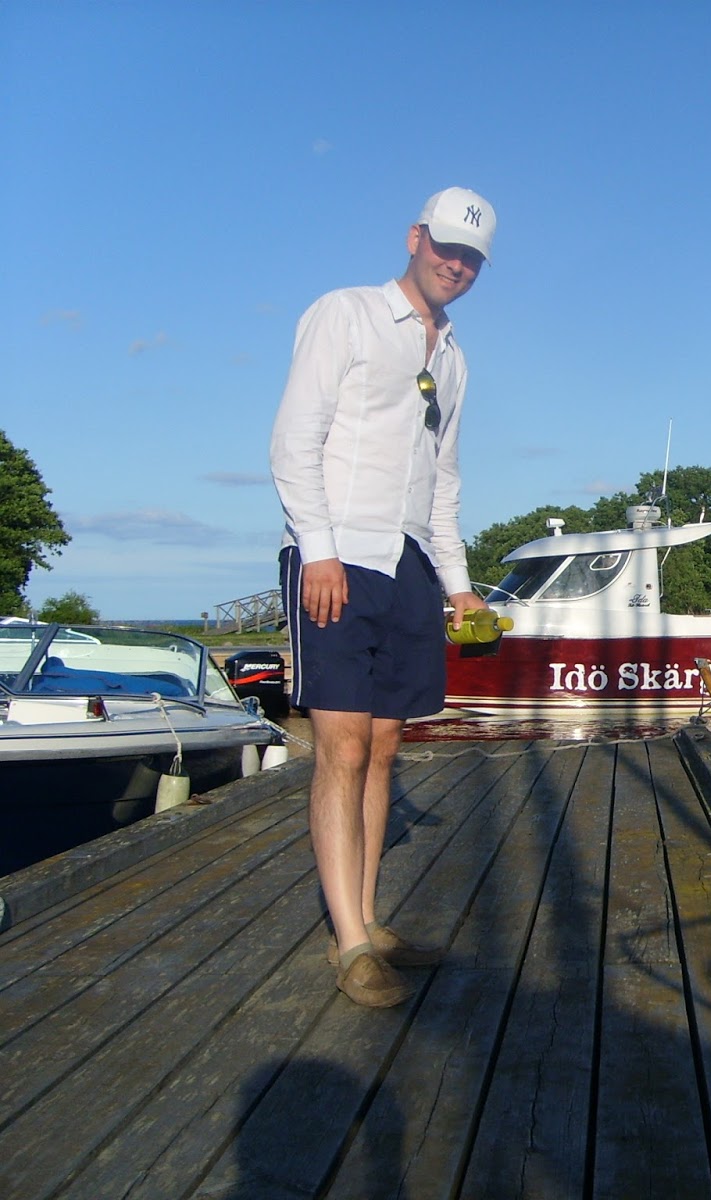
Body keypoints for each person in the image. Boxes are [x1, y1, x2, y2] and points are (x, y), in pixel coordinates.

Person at [269, 187, 496, 1007]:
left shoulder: (455, 358)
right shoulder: (347, 314)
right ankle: (352, 943)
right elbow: (294, 440)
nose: (456, 265)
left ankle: (366, 918)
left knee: (386, 748)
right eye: (446, 247)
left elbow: (444, 480)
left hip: (410, 564)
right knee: (342, 748)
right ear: (415, 238)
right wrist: (319, 551)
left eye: (471, 257)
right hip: (337, 555)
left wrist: (460, 586)